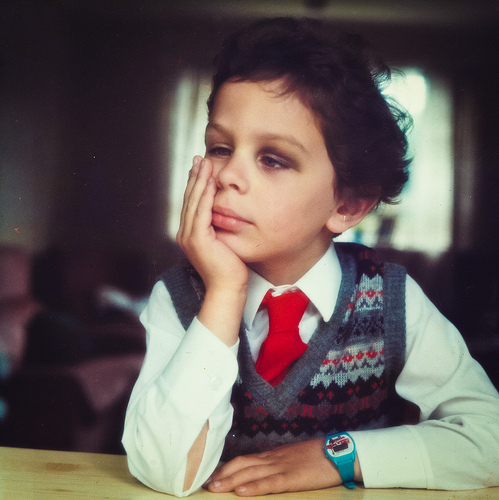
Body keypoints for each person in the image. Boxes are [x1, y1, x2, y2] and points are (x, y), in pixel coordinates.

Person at [122, 17, 499, 497]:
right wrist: (225, 292)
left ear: (347, 205)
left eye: (273, 159)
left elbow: (489, 438)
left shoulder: (391, 299)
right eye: (220, 148)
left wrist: (340, 455)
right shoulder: (179, 296)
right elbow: (164, 472)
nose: (228, 175)